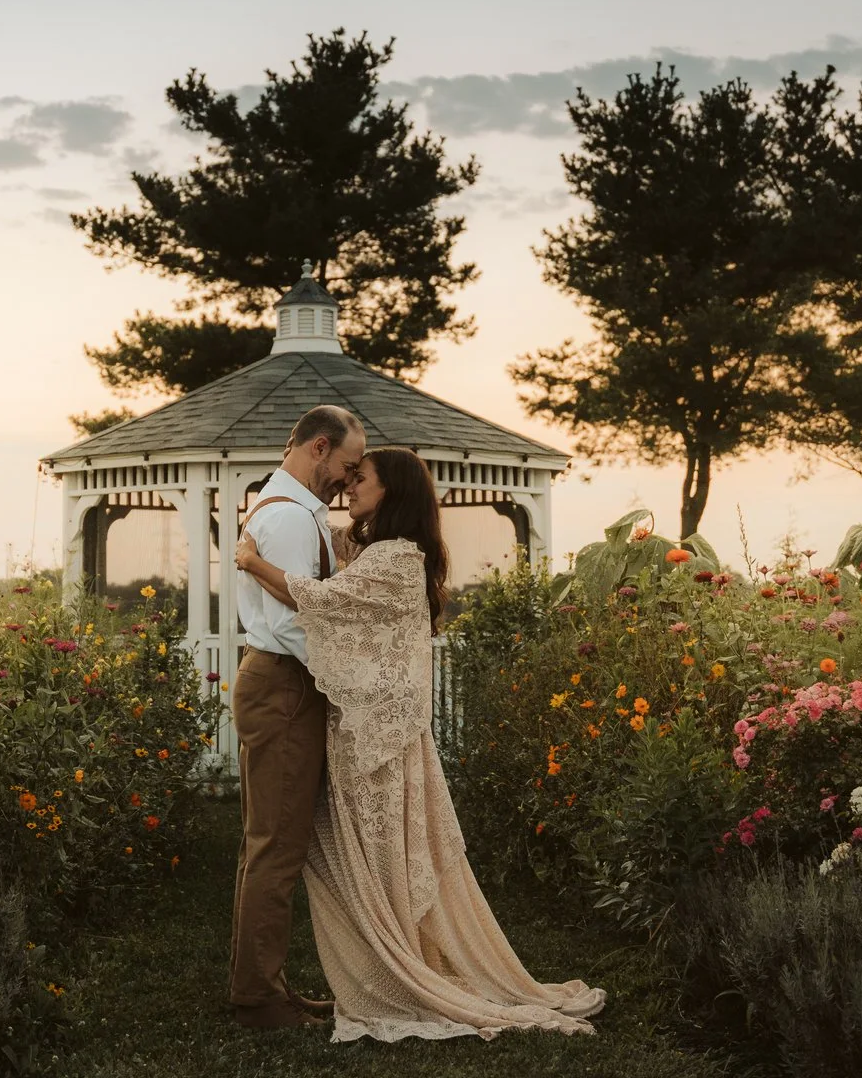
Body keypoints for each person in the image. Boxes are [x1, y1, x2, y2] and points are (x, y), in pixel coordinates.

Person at [235, 444, 605, 1042]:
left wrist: (252, 560)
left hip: (374, 741)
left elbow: (323, 598)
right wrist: (296, 503)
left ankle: (395, 971)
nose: (349, 489)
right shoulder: (382, 550)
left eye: (362, 481)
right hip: (367, 732)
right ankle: (349, 969)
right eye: (347, 477)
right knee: (349, 857)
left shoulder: (397, 560)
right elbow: (331, 550)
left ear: (394, 492)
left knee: (379, 862)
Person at [227, 404, 368, 1029]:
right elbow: (292, 624)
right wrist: (356, 677)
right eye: (345, 465)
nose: (347, 478)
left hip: (290, 686)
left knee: (276, 841)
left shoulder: (299, 514)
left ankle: (266, 984)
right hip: (284, 684)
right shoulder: (285, 519)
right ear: (318, 447)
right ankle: (258, 997)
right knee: (275, 846)